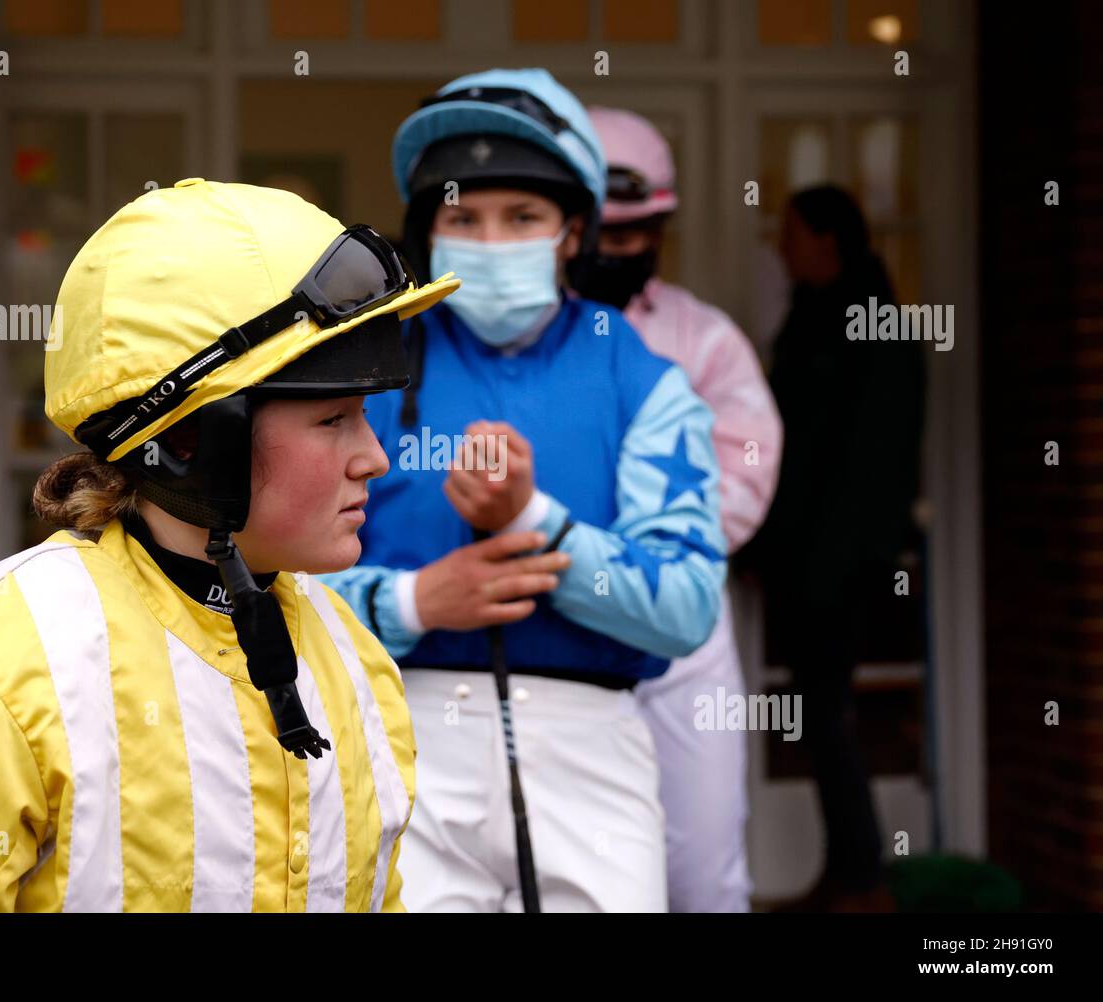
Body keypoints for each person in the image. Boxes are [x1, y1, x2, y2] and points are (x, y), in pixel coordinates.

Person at [0, 179, 460, 912]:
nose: (375, 457)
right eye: (334, 419)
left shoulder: (357, 663)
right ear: (193, 442)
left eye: (367, 415)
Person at [321, 69, 727, 912]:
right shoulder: (359, 374)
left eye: (523, 218)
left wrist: (537, 522)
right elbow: (275, 591)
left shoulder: (646, 382)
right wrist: (416, 600)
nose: (492, 239)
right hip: (400, 734)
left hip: (592, 745)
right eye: (463, 218)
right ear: (427, 233)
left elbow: (687, 606)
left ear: (572, 230)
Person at [569, 106, 784, 912]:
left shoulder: (706, 338)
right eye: (603, 234)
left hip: (679, 622)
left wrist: (643, 550)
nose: (618, 251)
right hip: (551, 615)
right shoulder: (508, 340)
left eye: (637, 234)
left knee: (703, 865)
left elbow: (747, 471)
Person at [747, 184, 924, 911]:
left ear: (826, 240)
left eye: (790, 233)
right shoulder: (814, 318)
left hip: (842, 568)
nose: (780, 248)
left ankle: (863, 880)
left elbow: (868, 466)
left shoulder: (872, 322)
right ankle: (848, 872)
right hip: (811, 562)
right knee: (821, 717)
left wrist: (824, 564)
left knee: (830, 715)